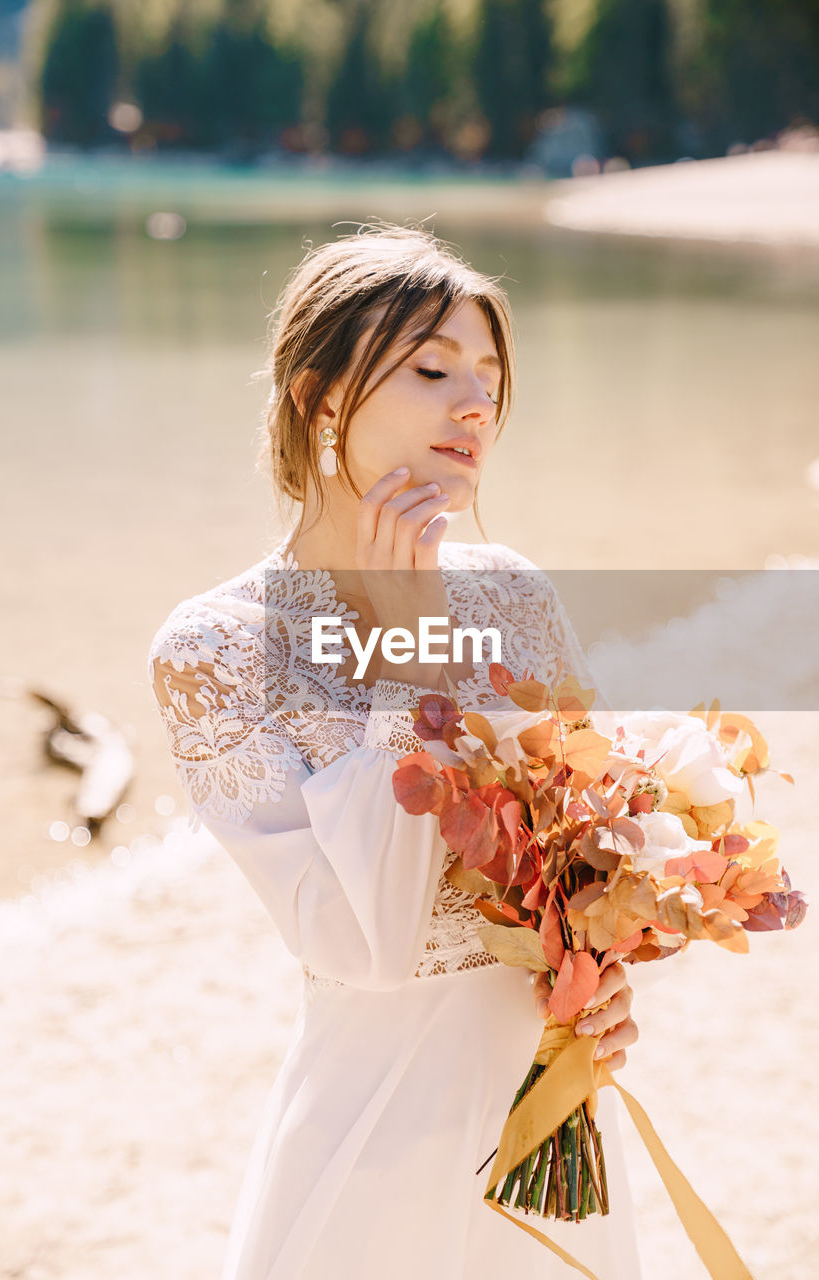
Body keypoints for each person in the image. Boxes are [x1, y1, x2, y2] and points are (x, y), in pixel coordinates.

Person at [147, 224, 644, 1279]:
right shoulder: (215, 647)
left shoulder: (512, 593)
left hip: (549, 1128)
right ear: (320, 398)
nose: (476, 404)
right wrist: (410, 664)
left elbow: (598, 859)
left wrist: (605, 969)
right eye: (432, 369)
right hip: (372, 1142)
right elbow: (357, 945)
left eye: (489, 379)